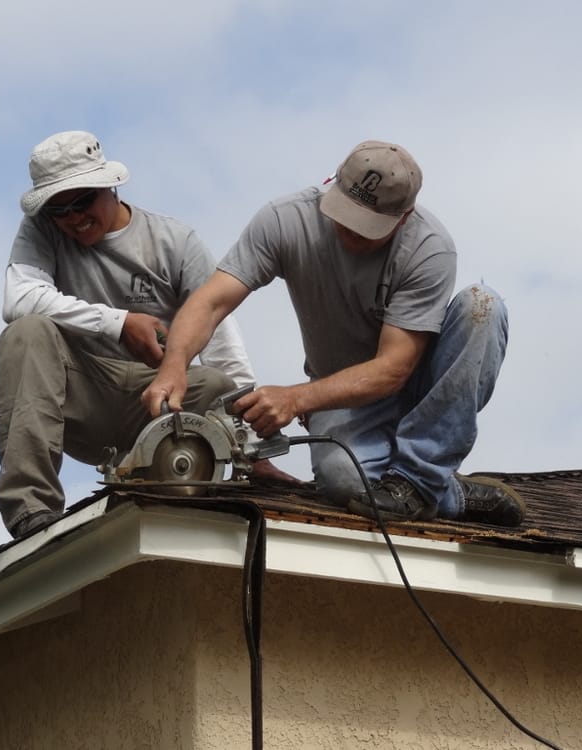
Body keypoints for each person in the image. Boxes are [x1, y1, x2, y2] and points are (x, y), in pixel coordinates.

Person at [143, 140, 525, 525]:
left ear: (404, 217)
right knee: (346, 483)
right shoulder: (285, 220)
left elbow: (394, 369)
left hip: (420, 387)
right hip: (342, 395)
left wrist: (295, 400)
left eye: (367, 227)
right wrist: (174, 365)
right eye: (344, 214)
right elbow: (211, 301)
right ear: (333, 184)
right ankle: (448, 494)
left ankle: (419, 478)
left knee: (484, 306)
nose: (349, 232)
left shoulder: (429, 248)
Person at [0, 130, 291, 539]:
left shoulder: (173, 242)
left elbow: (220, 337)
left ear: (110, 185)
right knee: (25, 334)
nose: (74, 219)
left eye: (82, 202)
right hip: (82, 395)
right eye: (59, 210)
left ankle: (175, 499)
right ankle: (31, 511)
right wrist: (119, 323)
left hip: (159, 406)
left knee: (219, 386)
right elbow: (20, 299)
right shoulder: (42, 231)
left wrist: (255, 443)